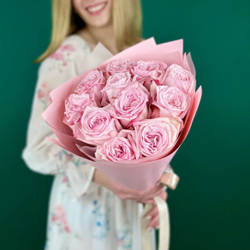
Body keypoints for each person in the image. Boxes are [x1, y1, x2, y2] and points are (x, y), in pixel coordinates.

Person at [22, 0, 168, 249]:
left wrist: (156, 184)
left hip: (134, 213)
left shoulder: (144, 55)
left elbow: (161, 133)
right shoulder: (66, 59)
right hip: (87, 215)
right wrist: (106, 178)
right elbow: (38, 150)